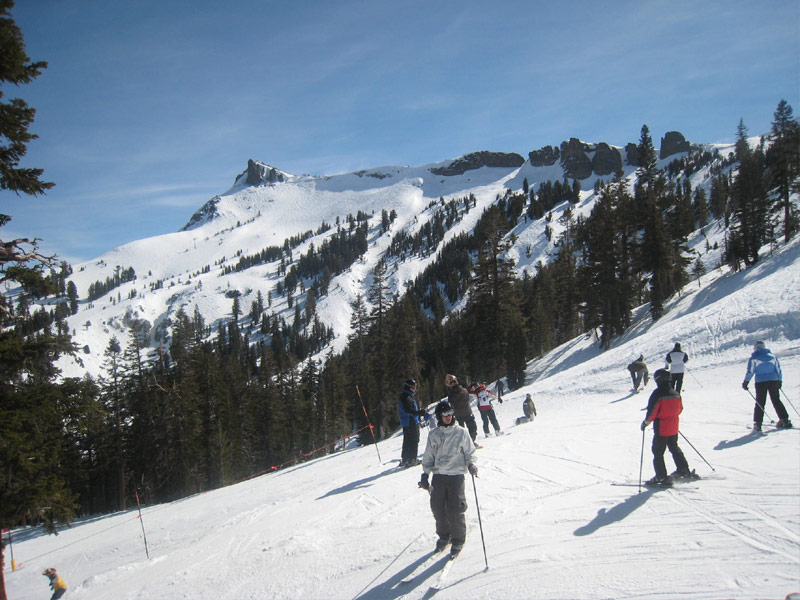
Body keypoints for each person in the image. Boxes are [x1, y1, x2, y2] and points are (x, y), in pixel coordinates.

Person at [418, 400, 477, 558]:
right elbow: (429, 455)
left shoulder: (461, 432)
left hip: (456, 475)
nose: (449, 417)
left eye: (451, 414)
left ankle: (458, 538)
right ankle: (445, 536)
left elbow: (470, 452)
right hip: (439, 476)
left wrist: (471, 465)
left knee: (455, 508)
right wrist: (425, 474)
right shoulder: (434, 434)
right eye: (445, 415)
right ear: (439, 416)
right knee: (438, 508)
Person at [640, 368, 695, 487]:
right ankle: (683, 469)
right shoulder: (675, 393)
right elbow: (680, 409)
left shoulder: (658, 393)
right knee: (674, 447)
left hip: (661, 428)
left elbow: (652, 412)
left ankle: (661, 476)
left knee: (658, 452)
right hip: (673, 426)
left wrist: (646, 423)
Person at [742, 341, 792, 431]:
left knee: (760, 402)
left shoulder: (754, 358)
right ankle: (785, 420)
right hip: (774, 381)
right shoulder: (772, 357)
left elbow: (751, 371)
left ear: (756, 348)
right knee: (776, 400)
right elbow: (778, 370)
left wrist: (746, 382)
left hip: (761, 382)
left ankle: (758, 423)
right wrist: (780, 381)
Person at [398, 378, 429, 467]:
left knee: (407, 439)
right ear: (409, 387)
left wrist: (419, 412)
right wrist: (420, 412)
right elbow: (409, 410)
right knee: (414, 439)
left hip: (407, 421)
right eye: (413, 387)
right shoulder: (407, 397)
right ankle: (412, 459)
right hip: (410, 421)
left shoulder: (406, 396)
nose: (415, 389)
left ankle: (405, 458)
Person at [445, 374, 478, 443]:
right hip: (464, 413)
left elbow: (452, 402)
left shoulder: (453, 394)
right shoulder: (463, 391)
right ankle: (470, 442)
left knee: (466, 430)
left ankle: (468, 442)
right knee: (470, 429)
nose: (453, 384)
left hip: (461, 414)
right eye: (452, 383)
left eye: (453, 382)